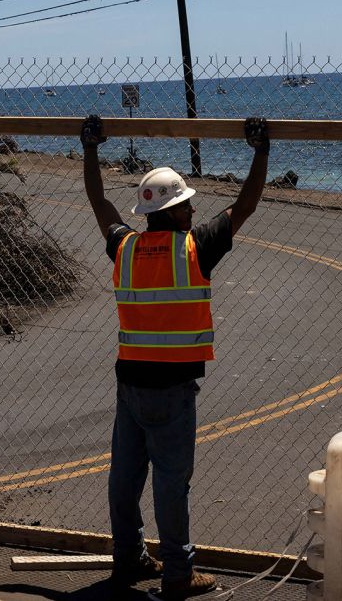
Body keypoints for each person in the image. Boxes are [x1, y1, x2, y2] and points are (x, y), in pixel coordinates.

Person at [81, 114, 271, 600]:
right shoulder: (194, 247)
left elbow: (100, 204)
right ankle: (178, 574)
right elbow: (244, 207)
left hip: (131, 387)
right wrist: (261, 151)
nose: (192, 211)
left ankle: (128, 558)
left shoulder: (125, 247)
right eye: (186, 204)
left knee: (125, 476)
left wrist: (90, 148)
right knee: (171, 483)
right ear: (175, 211)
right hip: (173, 389)